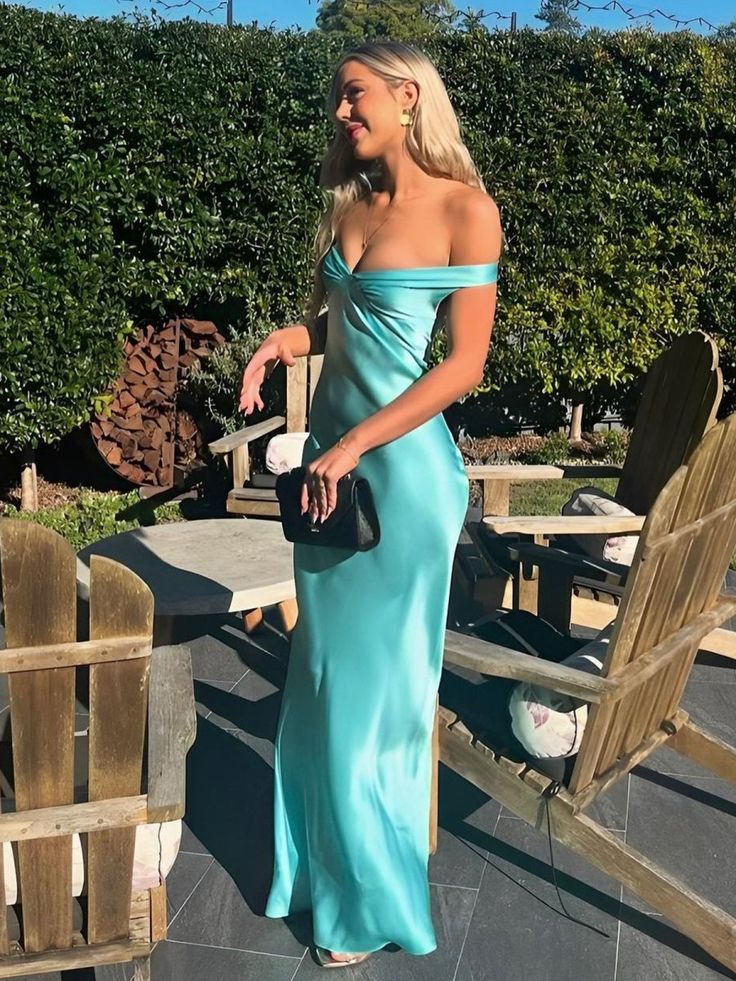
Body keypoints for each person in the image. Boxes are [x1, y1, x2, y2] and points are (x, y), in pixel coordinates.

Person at [239, 40, 501, 969]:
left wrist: (352, 442)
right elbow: (347, 323)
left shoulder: (466, 211)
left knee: (375, 697)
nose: (342, 113)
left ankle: (365, 903)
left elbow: (463, 365)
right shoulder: (351, 205)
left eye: (355, 96)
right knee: (319, 681)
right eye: (338, 101)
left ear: (407, 96)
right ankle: (320, 874)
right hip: (332, 482)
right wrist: (287, 341)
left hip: (403, 484)